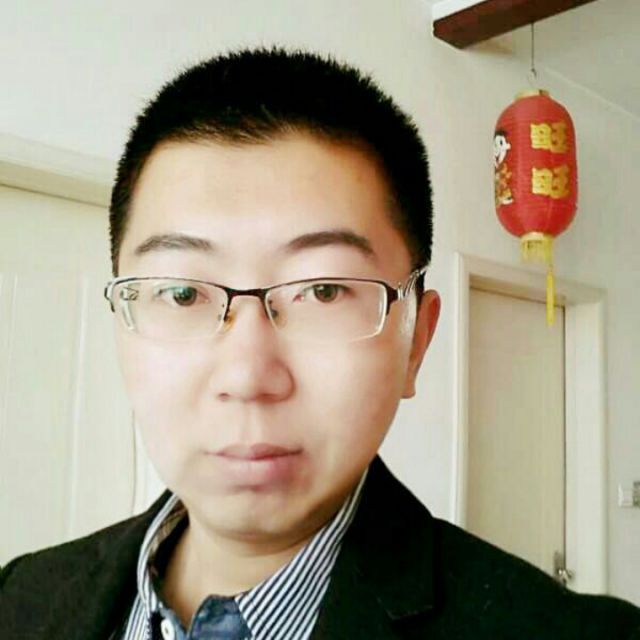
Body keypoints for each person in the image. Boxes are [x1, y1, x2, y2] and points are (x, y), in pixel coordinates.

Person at [0, 47, 638, 640]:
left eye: (324, 290)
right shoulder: (21, 597)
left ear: (416, 343)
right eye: (184, 293)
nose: (248, 375)